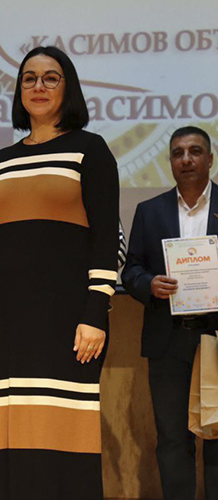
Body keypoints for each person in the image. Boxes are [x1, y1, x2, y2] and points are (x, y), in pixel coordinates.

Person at [0, 45, 120, 499]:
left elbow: (106, 239)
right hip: (13, 327)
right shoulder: (1, 160)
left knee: (67, 443)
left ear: (67, 87)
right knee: (17, 444)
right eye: (29, 78)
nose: (39, 86)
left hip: (70, 326)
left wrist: (95, 314)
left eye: (50, 77)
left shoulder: (90, 150)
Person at [122, 126, 218, 499]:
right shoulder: (150, 211)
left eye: (195, 151)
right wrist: (149, 284)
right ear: (170, 162)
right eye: (178, 153)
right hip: (169, 339)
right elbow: (131, 270)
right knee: (172, 437)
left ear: (210, 159)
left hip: (215, 335)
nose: (186, 159)